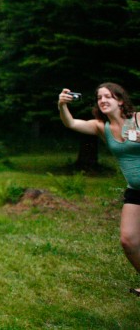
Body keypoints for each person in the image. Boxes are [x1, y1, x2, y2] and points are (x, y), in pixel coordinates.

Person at [57, 84, 140, 296]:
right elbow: (72, 123)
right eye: (99, 97)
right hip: (135, 190)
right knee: (128, 240)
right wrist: (62, 105)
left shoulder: (138, 119)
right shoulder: (101, 126)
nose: (103, 100)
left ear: (120, 100)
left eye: (108, 97)